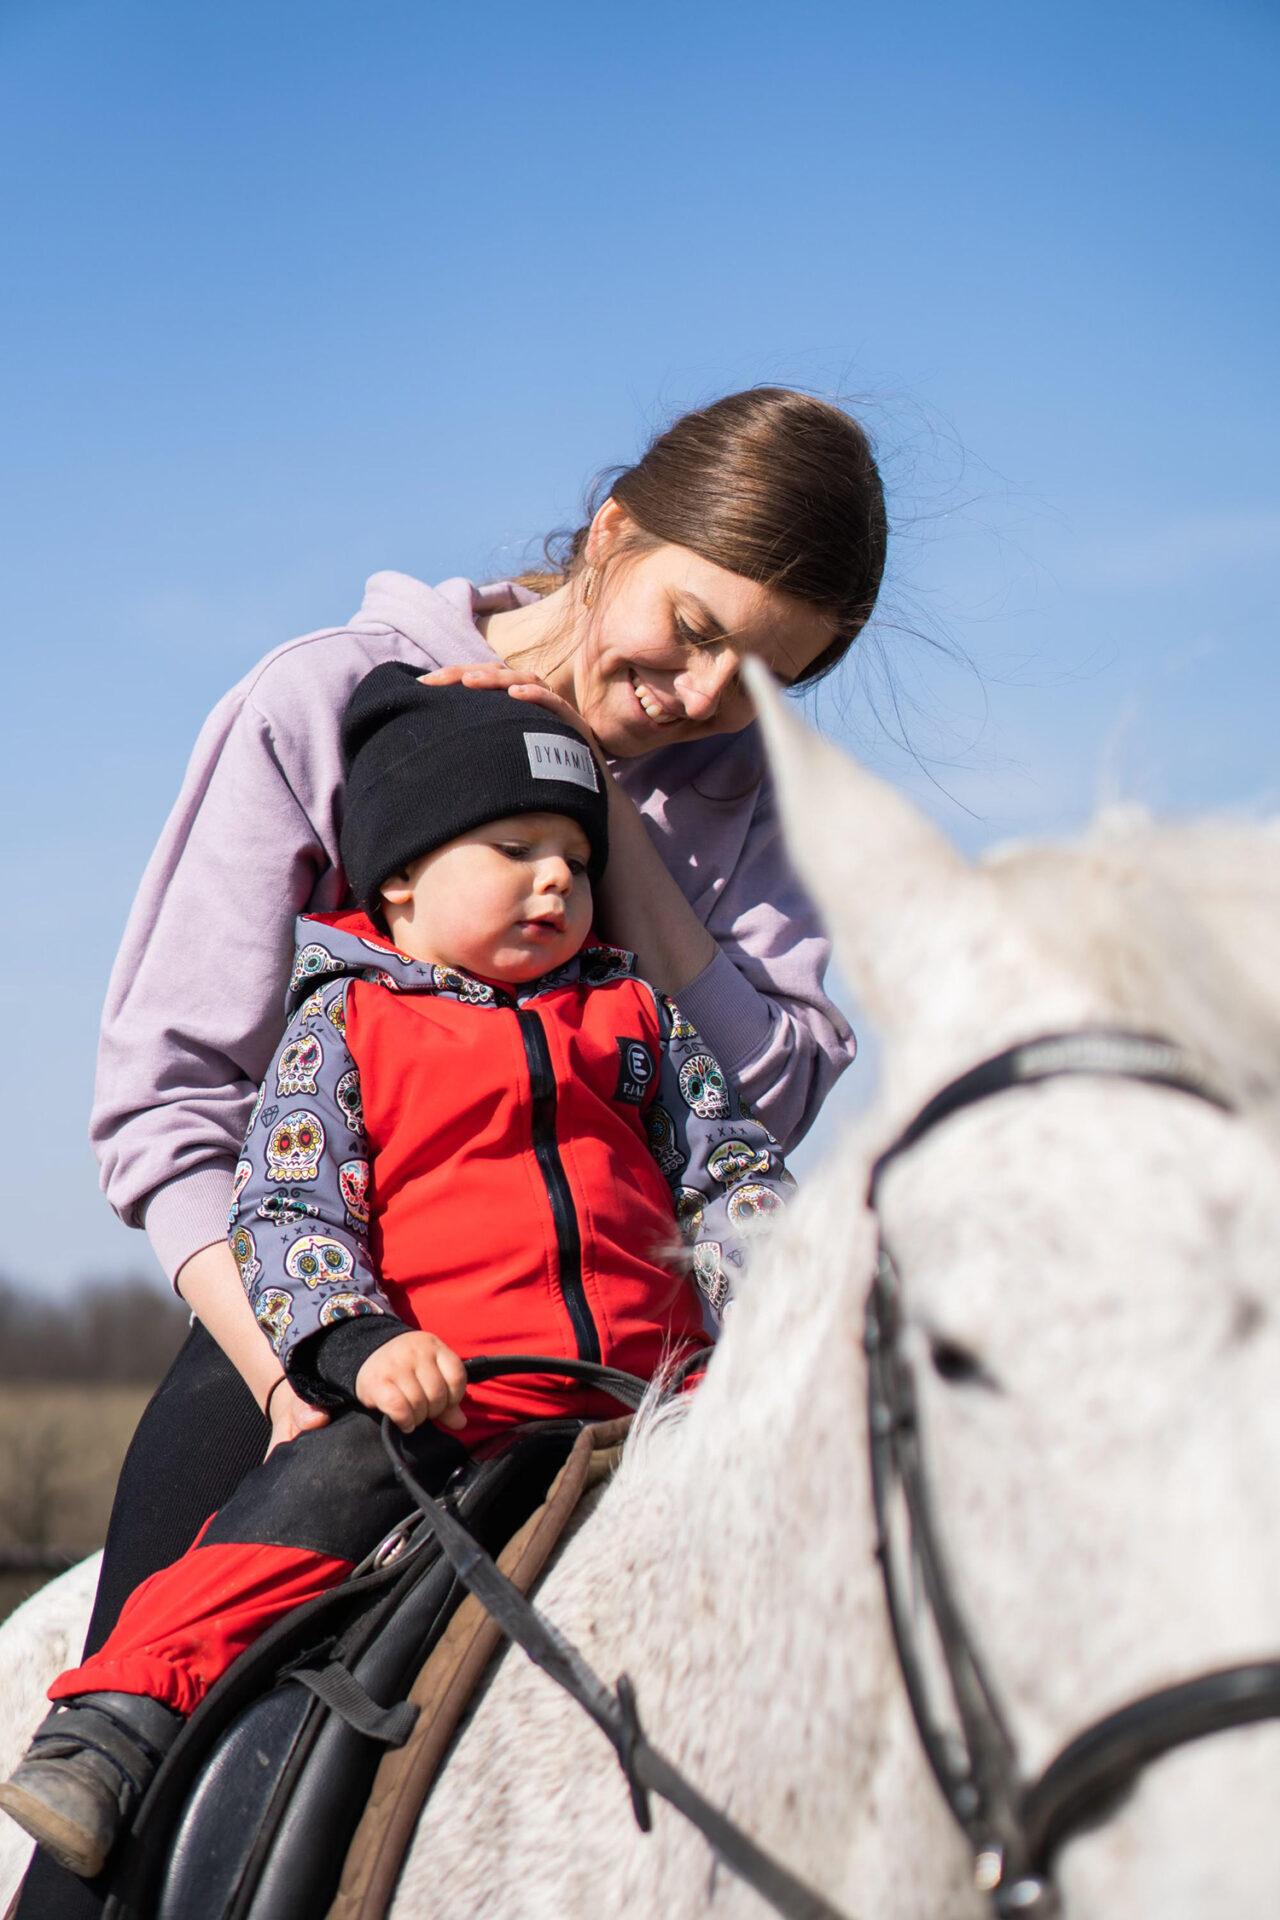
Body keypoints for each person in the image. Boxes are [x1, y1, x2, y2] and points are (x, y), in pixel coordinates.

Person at [11, 384, 885, 1917]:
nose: (698, 693)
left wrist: (605, 816)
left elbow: (770, 1103)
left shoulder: (753, 803)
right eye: (690, 625)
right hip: (343, 1324)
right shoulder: (322, 700)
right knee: (136, 1772)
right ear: (613, 535)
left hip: (654, 1344)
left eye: (761, 675)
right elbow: (168, 1105)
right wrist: (306, 1365)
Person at [1, 670, 793, 1879]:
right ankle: (119, 1716)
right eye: (516, 848)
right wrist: (360, 1345)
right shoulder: (348, 1026)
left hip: (659, 1396)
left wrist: (782, 1298)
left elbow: (728, 1167)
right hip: (453, 1395)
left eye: (578, 862)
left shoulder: (633, 1010)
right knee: (294, 1516)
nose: (557, 881)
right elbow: (286, 1205)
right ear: (402, 877)